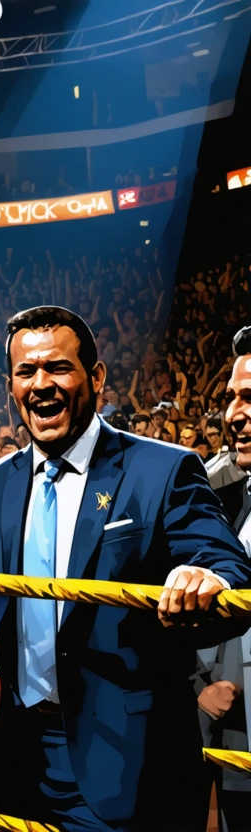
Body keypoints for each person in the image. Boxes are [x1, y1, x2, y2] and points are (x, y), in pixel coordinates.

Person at [0, 306, 251, 831]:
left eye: (58, 368)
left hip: (130, 767)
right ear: (10, 386)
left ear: (95, 377)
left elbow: (228, 567)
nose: (41, 384)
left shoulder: (161, 470)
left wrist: (209, 579)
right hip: (17, 761)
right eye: (26, 372)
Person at [199, 326, 251, 831]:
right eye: (232, 398)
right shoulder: (225, 493)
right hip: (234, 741)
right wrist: (201, 683)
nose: (234, 414)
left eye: (250, 397)